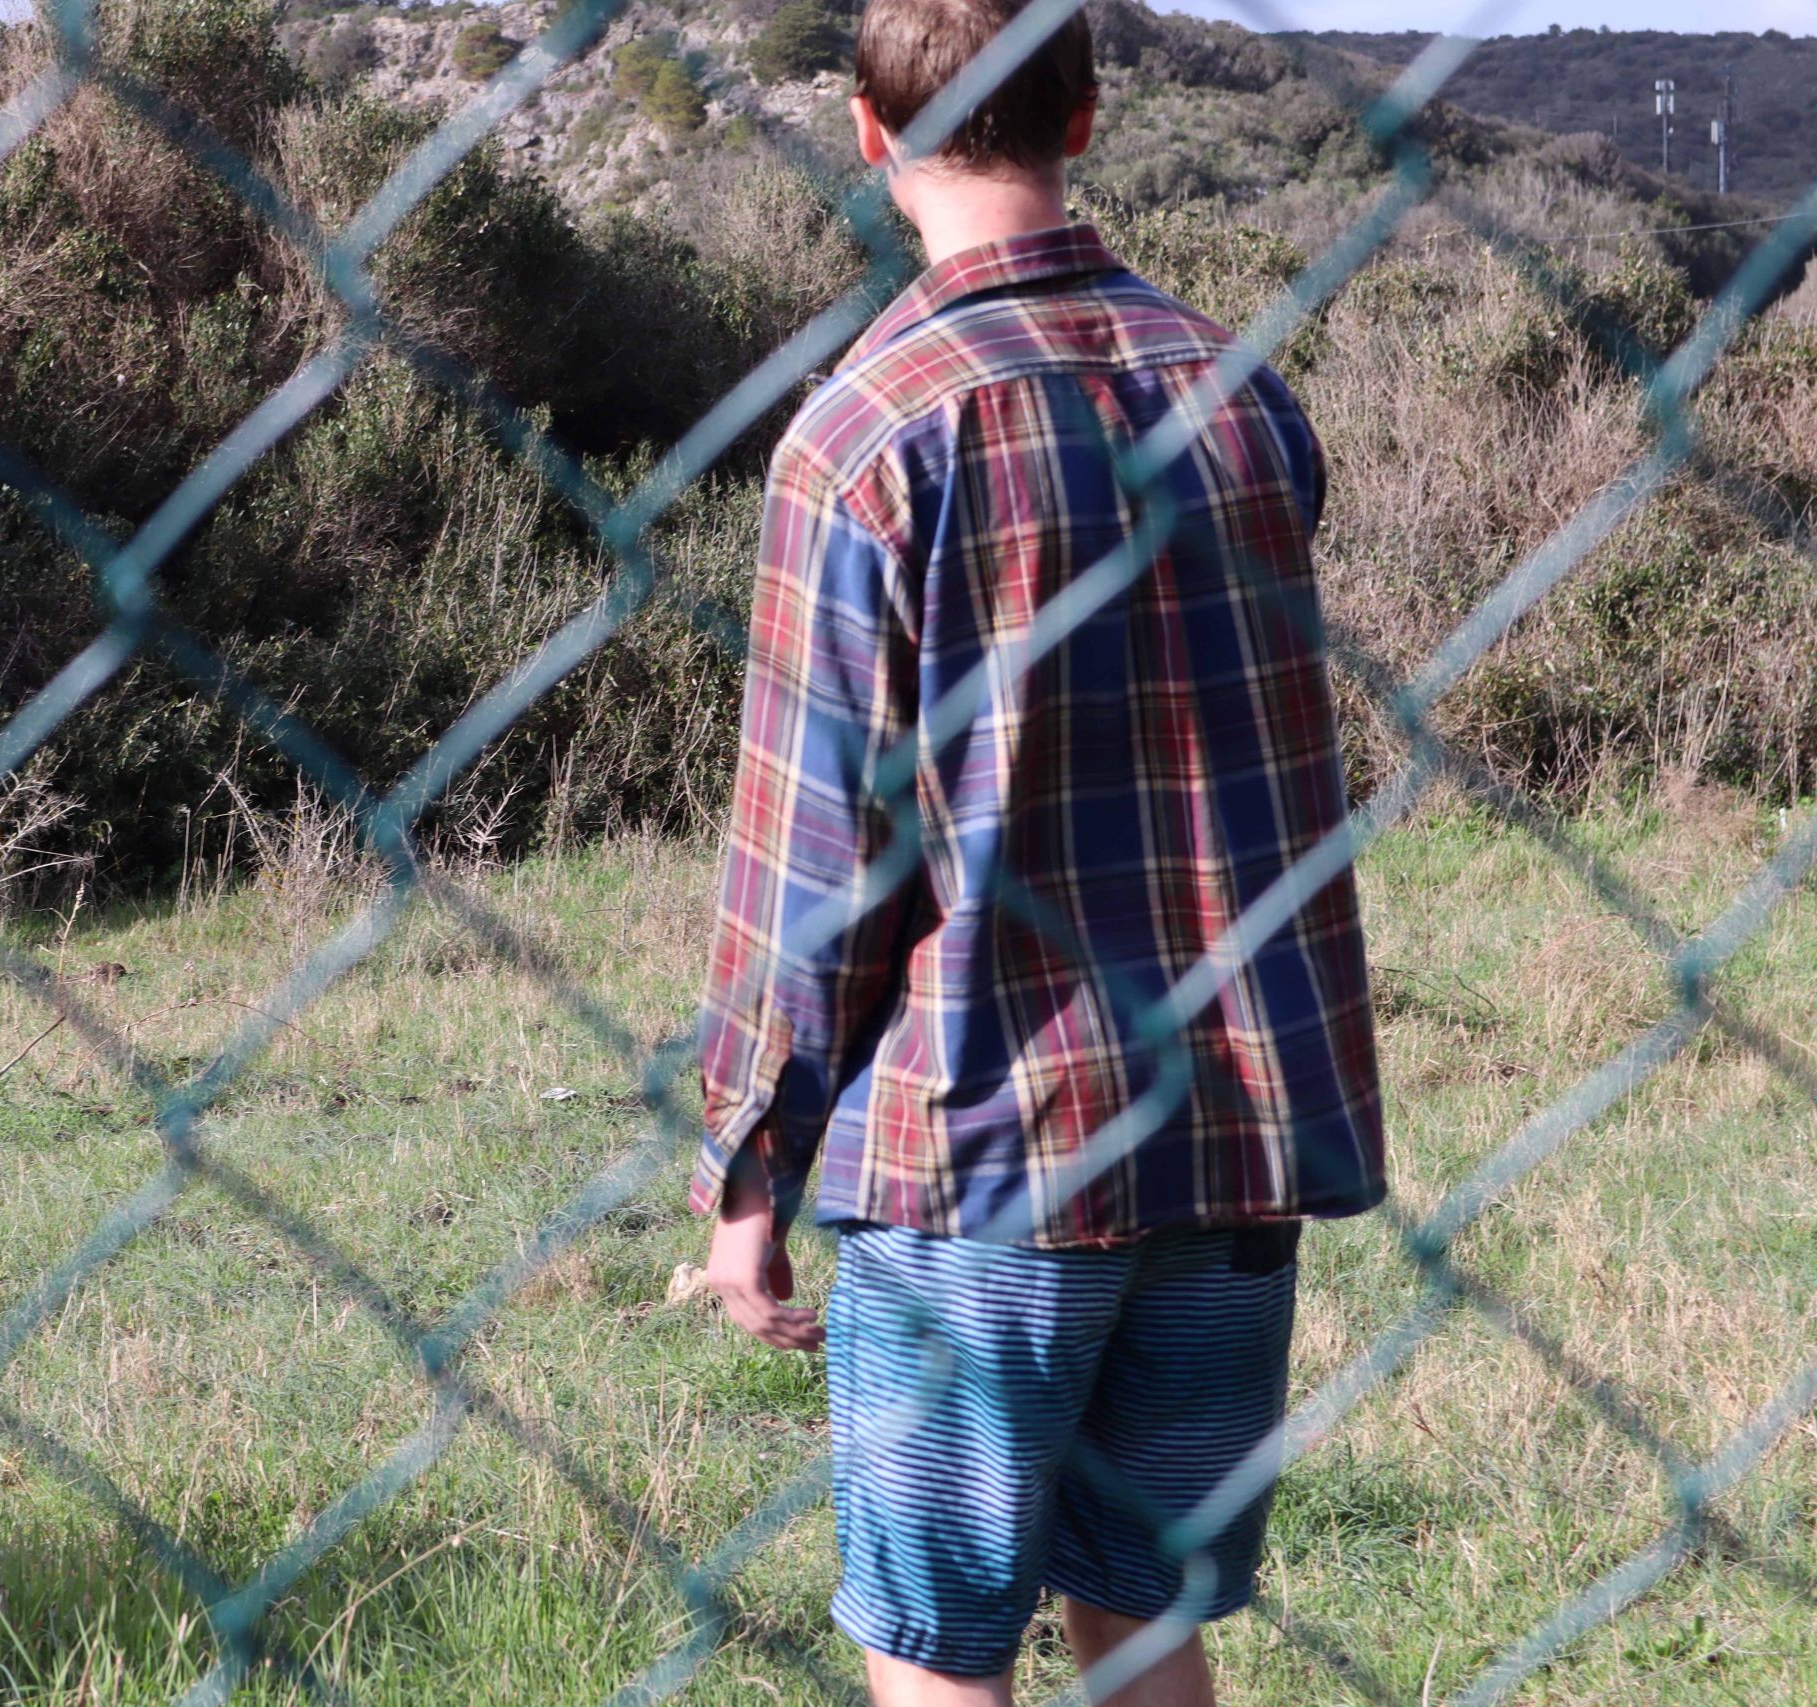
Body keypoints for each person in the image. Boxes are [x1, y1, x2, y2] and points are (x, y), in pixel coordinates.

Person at [688, 1, 1389, 1702]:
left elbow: (814, 860)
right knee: (1146, 1620)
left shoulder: (863, 437)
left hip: (978, 1148)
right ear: (1087, 117)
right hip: (1234, 1133)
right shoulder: (1242, 399)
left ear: (868, 134)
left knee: (936, 1648)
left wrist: (751, 1164)